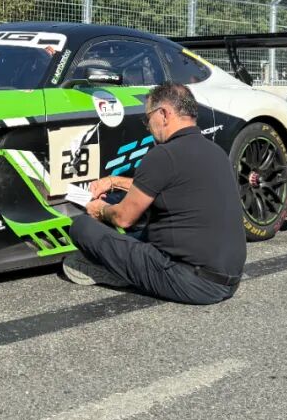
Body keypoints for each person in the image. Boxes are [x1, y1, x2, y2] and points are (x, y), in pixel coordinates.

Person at [63, 82, 246, 305]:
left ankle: (115, 270)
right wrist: (113, 182)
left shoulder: (163, 154)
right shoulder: (216, 152)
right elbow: (169, 185)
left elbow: (123, 218)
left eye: (147, 118)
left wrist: (99, 209)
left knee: (83, 227)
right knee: (140, 228)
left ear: (164, 114)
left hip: (191, 281)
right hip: (229, 279)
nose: (147, 127)